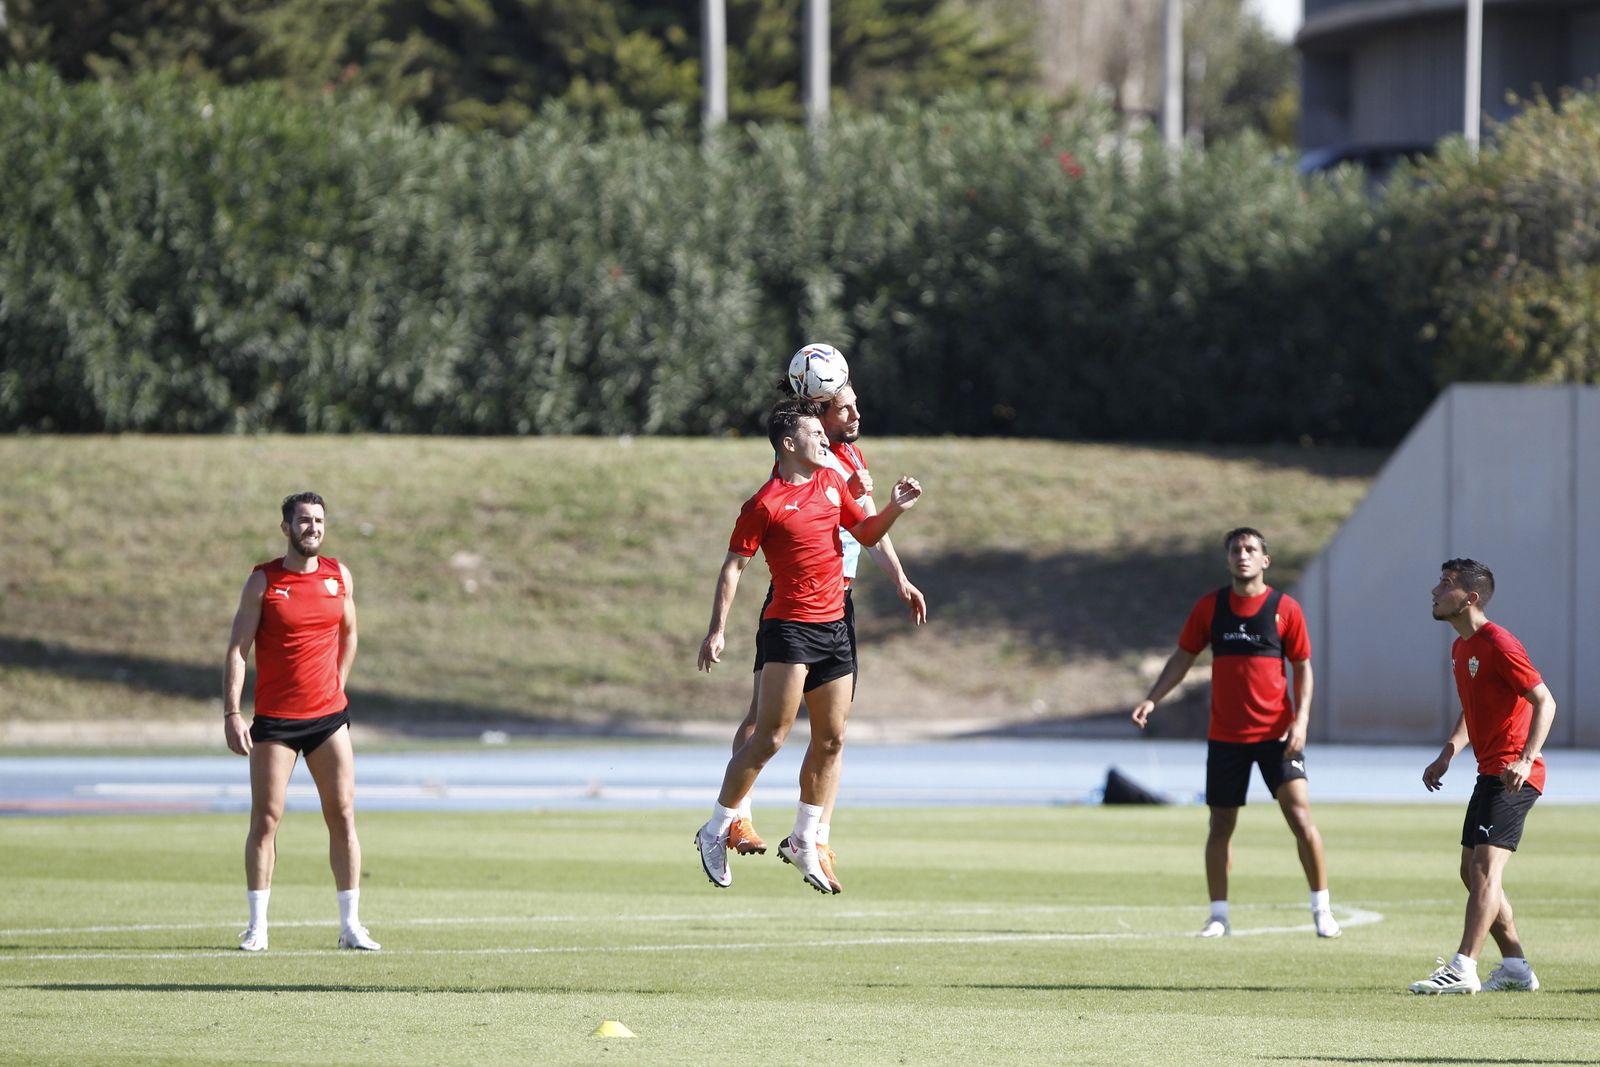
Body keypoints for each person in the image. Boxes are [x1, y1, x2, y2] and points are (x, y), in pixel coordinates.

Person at [694, 399, 923, 894]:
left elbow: (865, 532)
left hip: (835, 628)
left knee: (832, 739)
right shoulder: (764, 503)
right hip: (789, 629)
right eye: (815, 434)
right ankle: (715, 828)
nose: (824, 440)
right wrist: (717, 630)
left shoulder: (832, 483)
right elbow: (734, 566)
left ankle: (804, 839)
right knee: (769, 738)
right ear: (788, 444)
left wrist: (893, 509)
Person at [1130, 527, 1341, 939]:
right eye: (1235, 550)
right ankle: (1218, 916)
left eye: (1250, 549)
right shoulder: (1210, 607)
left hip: (1277, 736)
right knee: (1221, 824)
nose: (1242, 555)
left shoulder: (1285, 608)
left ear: (1265, 560)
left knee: (1300, 816)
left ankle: (1322, 910)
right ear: (1228, 560)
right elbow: (1183, 657)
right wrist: (1153, 698)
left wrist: (1301, 721)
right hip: (1226, 737)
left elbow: (1302, 667)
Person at [223, 491, 378, 952]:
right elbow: (238, 650)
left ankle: (351, 926)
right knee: (266, 818)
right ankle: (258, 927)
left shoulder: (338, 576)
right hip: (276, 721)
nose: (313, 528)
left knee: (343, 814)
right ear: (286, 527)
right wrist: (232, 712)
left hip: (328, 719)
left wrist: (337, 683)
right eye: (305, 520)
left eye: (319, 521)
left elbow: (349, 633)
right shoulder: (263, 581)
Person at [1408, 559, 1556, 994]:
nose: (1435, 590)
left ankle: (1463, 966)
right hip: (1489, 771)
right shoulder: (1461, 648)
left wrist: (1526, 760)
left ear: (1470, 598)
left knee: (1484, 869)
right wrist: (1448, 753)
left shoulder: (1500, 643)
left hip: (1514, 774)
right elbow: (1473, 709)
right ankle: (1515, 967)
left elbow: (1545, 702)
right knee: (1469, 871)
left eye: (1446, 584)